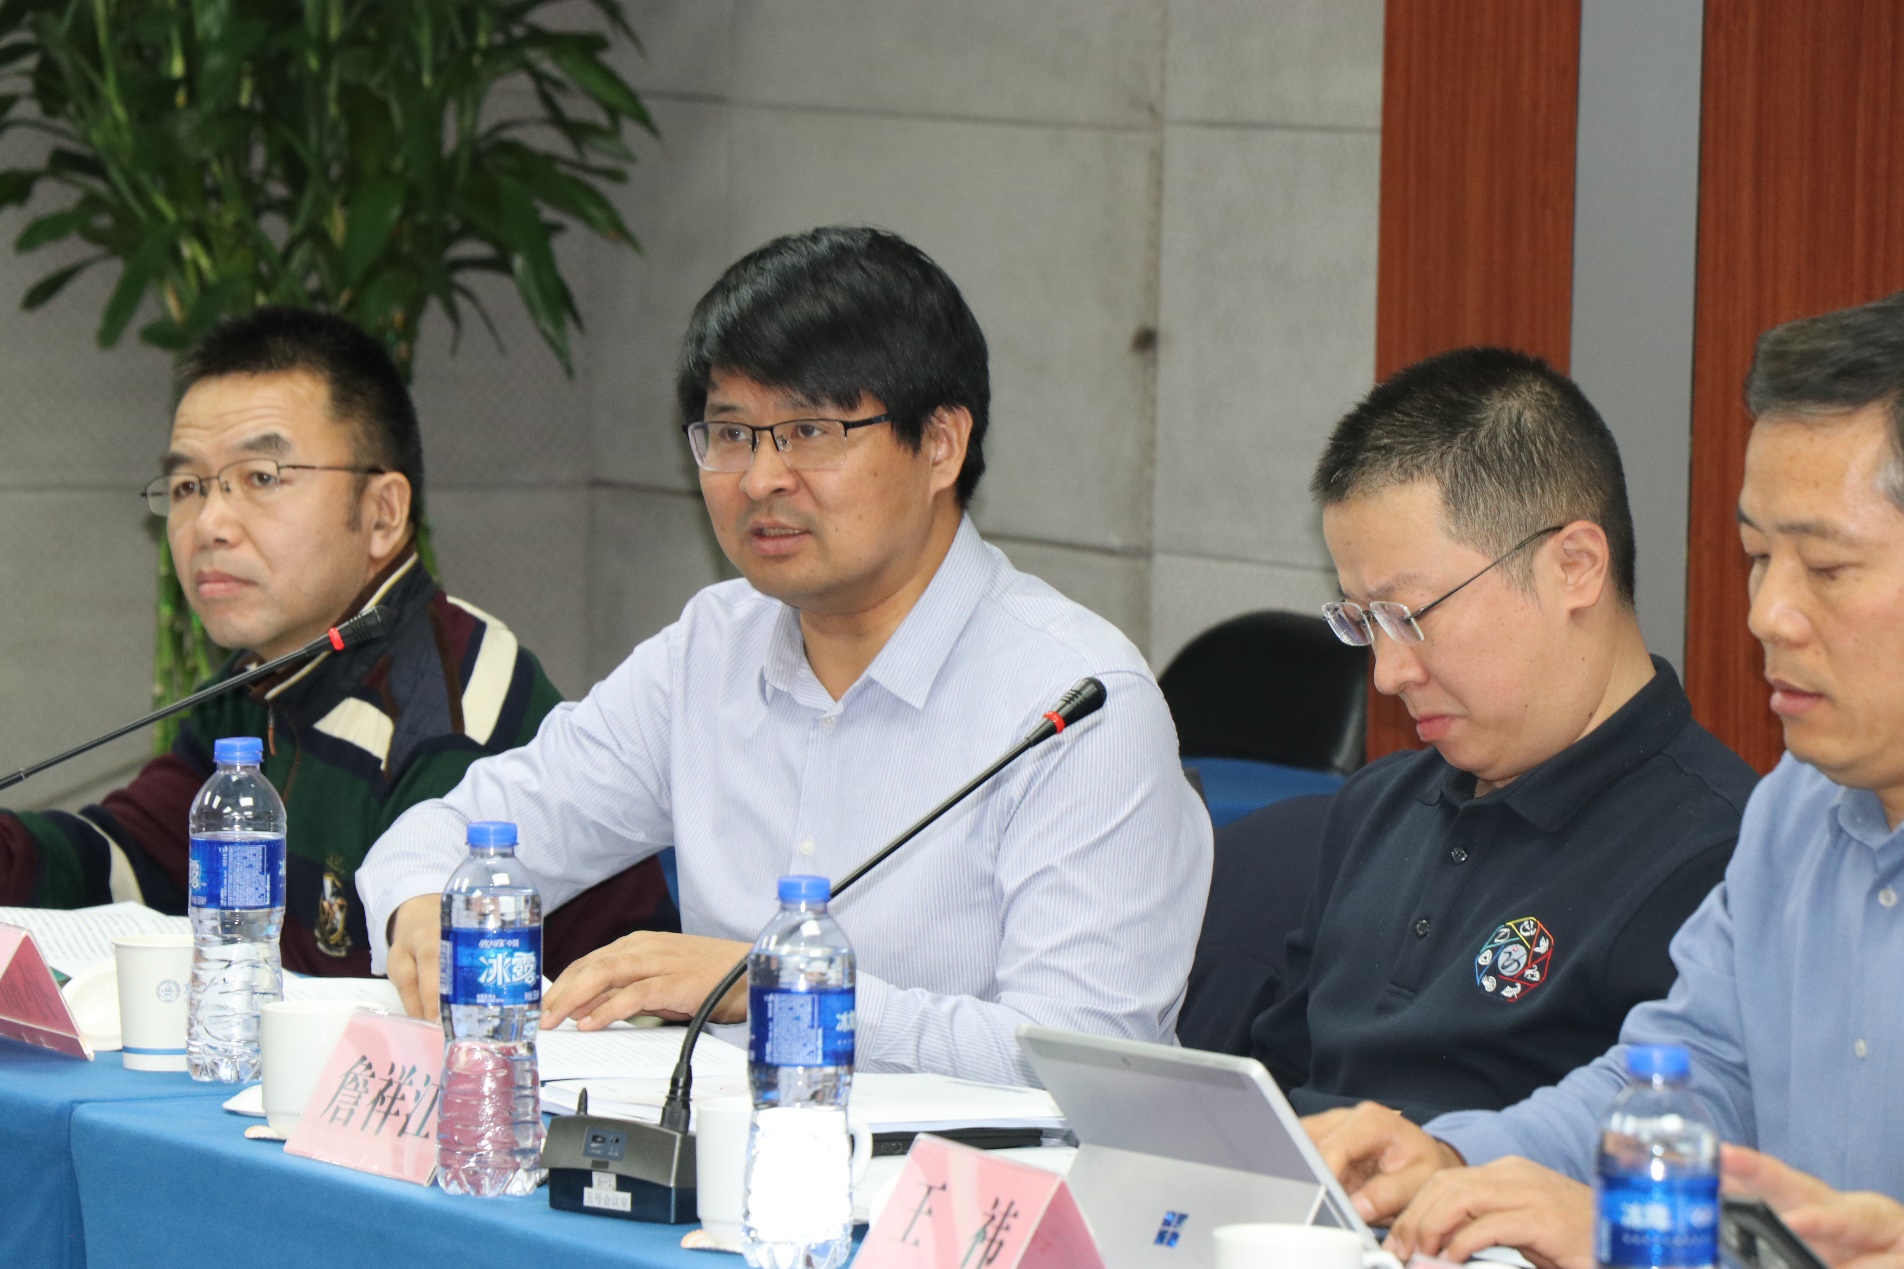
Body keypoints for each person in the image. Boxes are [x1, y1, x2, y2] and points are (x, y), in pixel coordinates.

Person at [356, 225, 1212, 1085]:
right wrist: (426, 907)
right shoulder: (710, 647)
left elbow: (1085, 1059)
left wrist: (778, 987)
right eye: (732, 434)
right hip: (725, 1149)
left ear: (941, 444)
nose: (761, 478)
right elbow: (440, 835)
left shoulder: (1076, 702)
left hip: (969, 1168)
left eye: (809, 430)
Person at [1306, 292, 1904, 1269]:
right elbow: (1682, 1078)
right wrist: (1456, 1159)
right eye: (1758, 558)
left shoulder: (1719, 819)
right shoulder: (1793, 816)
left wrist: (1646, 1235)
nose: (1767, 614)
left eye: (1828, 569)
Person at [0, 307, 675, 977]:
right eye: (188, 486)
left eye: (261, 478)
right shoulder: (262, 678)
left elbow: (410, 993)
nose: (209, 523)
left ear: (382, 514)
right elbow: (132, 859)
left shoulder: (451, 711)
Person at [1248, 348, 1757, 1122]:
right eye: (1362, 621)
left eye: (1408, 615)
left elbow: (1662, 1150)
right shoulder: (1376, 806)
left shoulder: (1722, 859)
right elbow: (1274, 1089)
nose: (1387, 673)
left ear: (1575, 566)